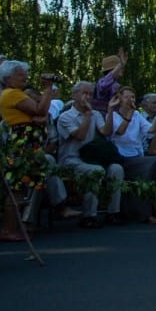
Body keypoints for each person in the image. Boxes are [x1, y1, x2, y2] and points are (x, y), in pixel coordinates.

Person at [0, 60, 78, 222]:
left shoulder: (15, 94)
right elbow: (39, 110)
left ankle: (28, 221)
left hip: (31, 143)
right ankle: (59, 205)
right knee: (42, 166)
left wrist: (40, 114)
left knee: (37, 181)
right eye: (20, 74)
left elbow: (42, 115)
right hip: (22, 145)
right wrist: (47, 89)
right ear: (8, 77)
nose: (25, 77)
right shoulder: (12, 94)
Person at [56, 81, 126, 229]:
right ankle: (89, 215)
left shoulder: (95, 114)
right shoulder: (65, 117)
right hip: (71, 160)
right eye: (84, 93)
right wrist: (87, 115)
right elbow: (80, 136)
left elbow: (105, 132)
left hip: (91, 158)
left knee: (116, 169)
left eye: (90, 94)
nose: (87, 97)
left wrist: (110, 110)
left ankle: (113, 212)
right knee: (95, 171)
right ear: (75, 95)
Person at [108, 86, 156, 223]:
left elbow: (152, 131)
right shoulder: (113, 116)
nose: (130, 100)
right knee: (154, 161)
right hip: (122, 158)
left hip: (137, 156)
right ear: (119, 99)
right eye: (127, 97)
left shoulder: (137, 115)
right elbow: (119, 132)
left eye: (132, 97)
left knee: (153, 163)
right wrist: (128, 116)